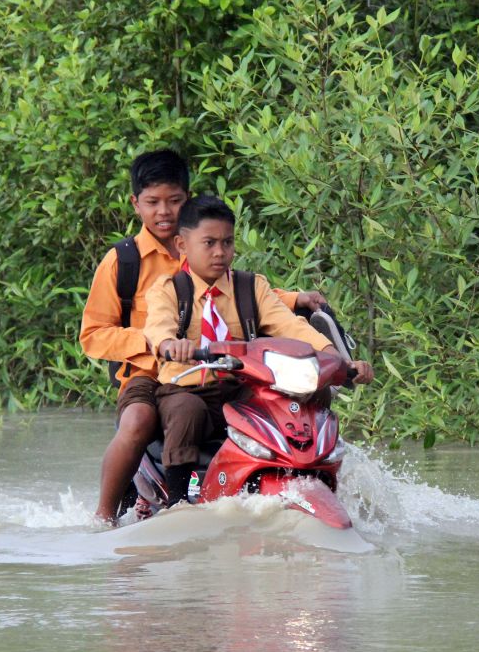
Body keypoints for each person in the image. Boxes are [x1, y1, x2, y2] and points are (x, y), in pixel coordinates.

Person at [80, 150, 328, 523]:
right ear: (136, 204)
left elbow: (243, 294)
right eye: (153, 203)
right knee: (139, 423)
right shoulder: (124, 262)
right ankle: (103, 516)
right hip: (149, 374)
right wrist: (153, 343)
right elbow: (93, 335)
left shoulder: (203, 241)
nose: (164, 211)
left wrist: (297, 301)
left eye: (174, 201)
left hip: (219, 368)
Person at [143, 195, 374, 505]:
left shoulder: (252, 287)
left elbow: (290, 325)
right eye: (209, 243)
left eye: (227, 242)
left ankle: (324, 476)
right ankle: (178, 502)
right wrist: (172, 345)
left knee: (307, 397)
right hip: (189, 387)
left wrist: (335, 356)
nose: (220, 252)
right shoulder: (168, 289)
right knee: (187, 412)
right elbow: (158, 327)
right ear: (182, 245)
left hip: (242, 387)